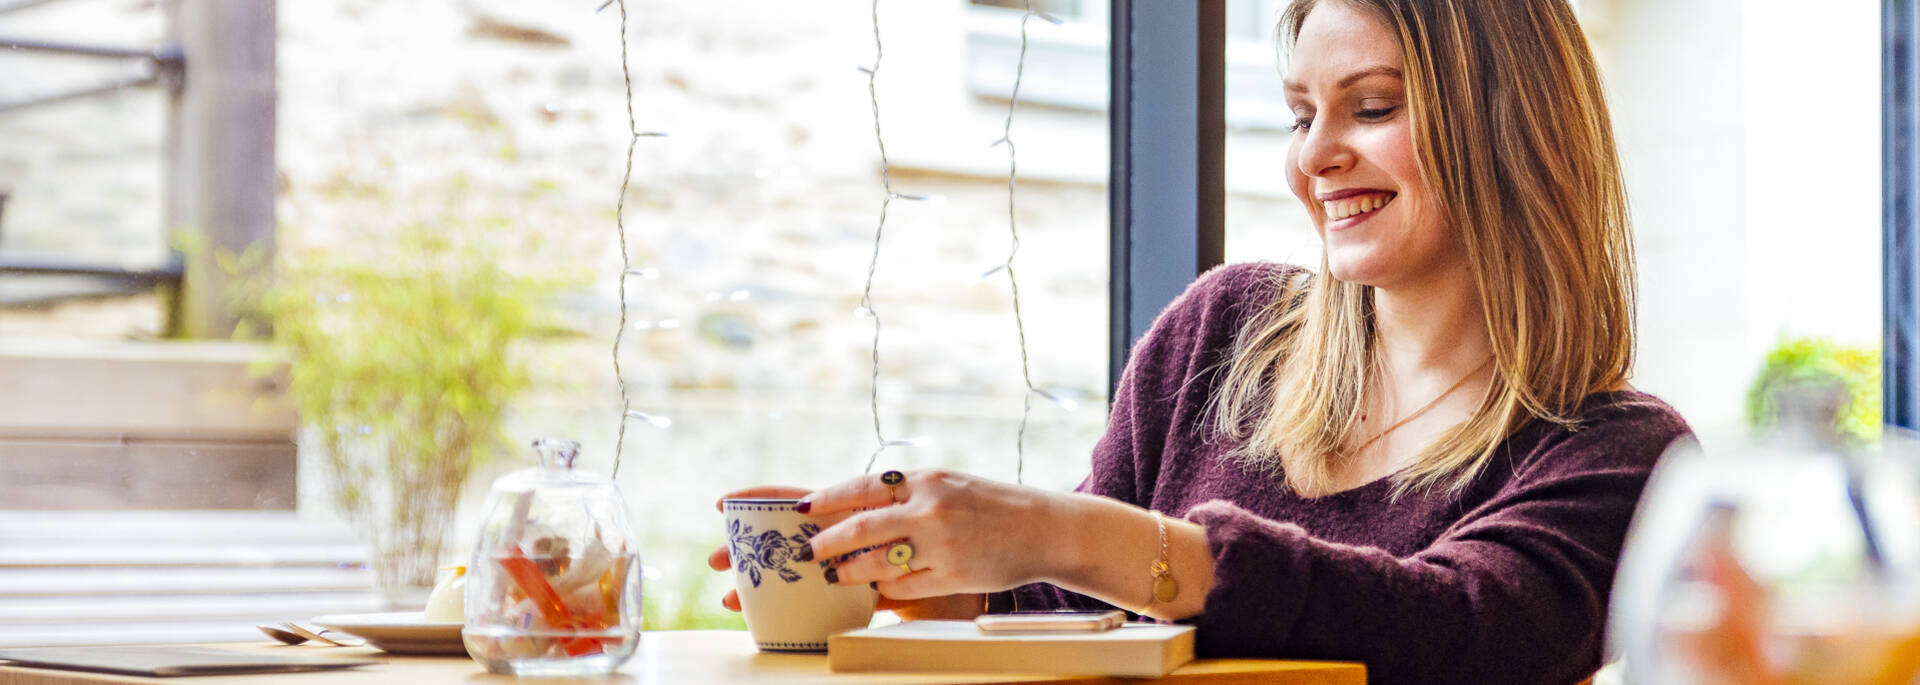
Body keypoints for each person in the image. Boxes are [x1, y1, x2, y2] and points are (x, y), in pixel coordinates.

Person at [709, 0, 1690, 682]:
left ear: (1507, 124)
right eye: (1303, 113)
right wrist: (901, 572)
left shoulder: (1622, 456)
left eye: (1374, 106)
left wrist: (1051, 529)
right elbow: (1067, 606)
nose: (1315, 155)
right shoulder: (1224, 333)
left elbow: (1461, 635)